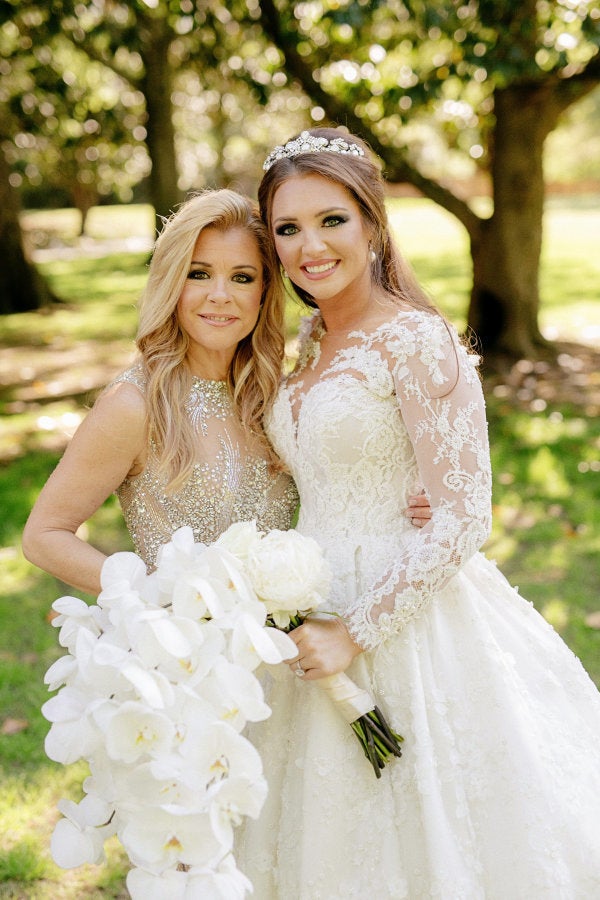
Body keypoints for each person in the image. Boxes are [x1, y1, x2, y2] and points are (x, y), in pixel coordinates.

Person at [234, 128, 600, 898]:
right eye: (288, 228)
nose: (310, 247)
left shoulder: (415, 338)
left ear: (372, 223)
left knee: (431, 819)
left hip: (403, 613)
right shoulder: (308, 342)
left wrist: (354, 631)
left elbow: (465, 515)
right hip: (308, 602)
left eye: (332, 220)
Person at [22, 189, 300, 592]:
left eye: (242, 277)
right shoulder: (135, 405)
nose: (219, 295)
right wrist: (157, 601)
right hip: (180, 647)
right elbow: (44, 536)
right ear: (172, 281)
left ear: (263, 292)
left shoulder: (276, 396)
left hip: (281, 646)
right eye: (198, 273)